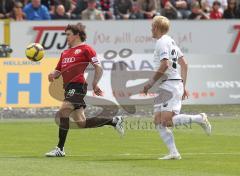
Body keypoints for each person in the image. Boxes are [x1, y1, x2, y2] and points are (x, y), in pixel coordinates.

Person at [45, 23, 124, 157]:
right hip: (68, 87)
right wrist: (52, 75)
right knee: (81, 122)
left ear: (77, 35)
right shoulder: (64, 53)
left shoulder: (86, 49)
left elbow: (98, 67)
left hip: (78, 86)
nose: (66, 37)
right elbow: (58, 71)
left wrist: (95, 83)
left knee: (64, 111)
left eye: (68, 34)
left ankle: (60, 149)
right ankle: (114, 121)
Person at [142, 16, 212, 160]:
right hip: (168, 85)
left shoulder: (162, 42)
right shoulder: (171, 42)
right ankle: (174, 153)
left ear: (156, 27)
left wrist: (150, 83)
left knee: (167, 121)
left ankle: (200, 118)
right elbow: (184, 64)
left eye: (152, 26)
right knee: (157, 120)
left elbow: (165, 64)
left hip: (170, 85)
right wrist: (183, 85)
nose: (151, 29)